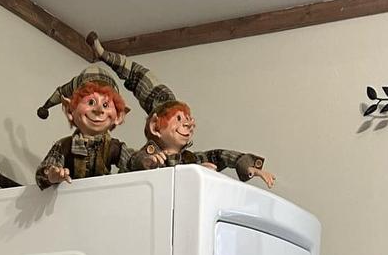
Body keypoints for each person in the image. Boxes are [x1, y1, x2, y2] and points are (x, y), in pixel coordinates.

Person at [87, 34, 275, 188]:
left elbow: (220, 155)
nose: (187, 124)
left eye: (187, 118)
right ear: (155, 126)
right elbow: (133, 160)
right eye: (178, 118)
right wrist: (149, 163)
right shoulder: (145, 154)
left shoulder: (190, 158)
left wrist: (248, 166)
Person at [35, 66, 134, 189]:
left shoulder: (114, 147)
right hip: (70, 201)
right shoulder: (65, 146)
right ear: (70, 111)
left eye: (105, 104)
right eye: (91, 102)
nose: (99, 110)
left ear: (119, 116)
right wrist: (52, 175)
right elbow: (42, 174)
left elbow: (133, 164)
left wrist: (147, 159)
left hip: (104, 199)